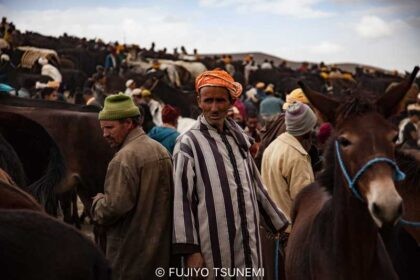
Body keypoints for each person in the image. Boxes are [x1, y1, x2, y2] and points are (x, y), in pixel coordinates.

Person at [172, 69, 288, 278]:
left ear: (231, 102)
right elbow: (182, 199)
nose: (214, 108)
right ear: (199, 101)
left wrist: (281, 226)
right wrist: (191, 251)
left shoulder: (239, 139)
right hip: (211, 247)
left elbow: (256, 186)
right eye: (208, 101)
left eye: (220, 101)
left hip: (247, 240)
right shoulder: (188, 143)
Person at [91, 93, 173, 280]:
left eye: (110, 128)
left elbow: (113, 207)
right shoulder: (160, 150)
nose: (105, 134)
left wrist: (97, 203)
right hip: (160, 255)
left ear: (128, 123)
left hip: (130, 257)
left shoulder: (124, 158)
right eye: (103, 129)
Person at [261, 102, 317, 232]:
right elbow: (304, 202)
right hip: (292, 232)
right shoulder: (298, 157)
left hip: (274, 227)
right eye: (311, 126)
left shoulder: (272, 146)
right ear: (306, 128)